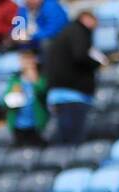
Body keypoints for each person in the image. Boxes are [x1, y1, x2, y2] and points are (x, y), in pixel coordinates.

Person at [44, 10, 103, 147]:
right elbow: (81, 55)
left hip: (57, 93)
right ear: (86, 18)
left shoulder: (63, 34)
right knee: (73, 140)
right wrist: (97, 64)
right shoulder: (78, 31)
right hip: (73, 94)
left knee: (64, 136)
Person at [3, 50, 48, 146]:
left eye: (30, 59)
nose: (27, 63)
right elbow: (4, 102)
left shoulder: (41, 78)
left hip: (37, 125)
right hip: (18, 126)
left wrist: (35, 79)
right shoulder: (14, 80)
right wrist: (14, 94)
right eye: (24, 60)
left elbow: (43, 92)